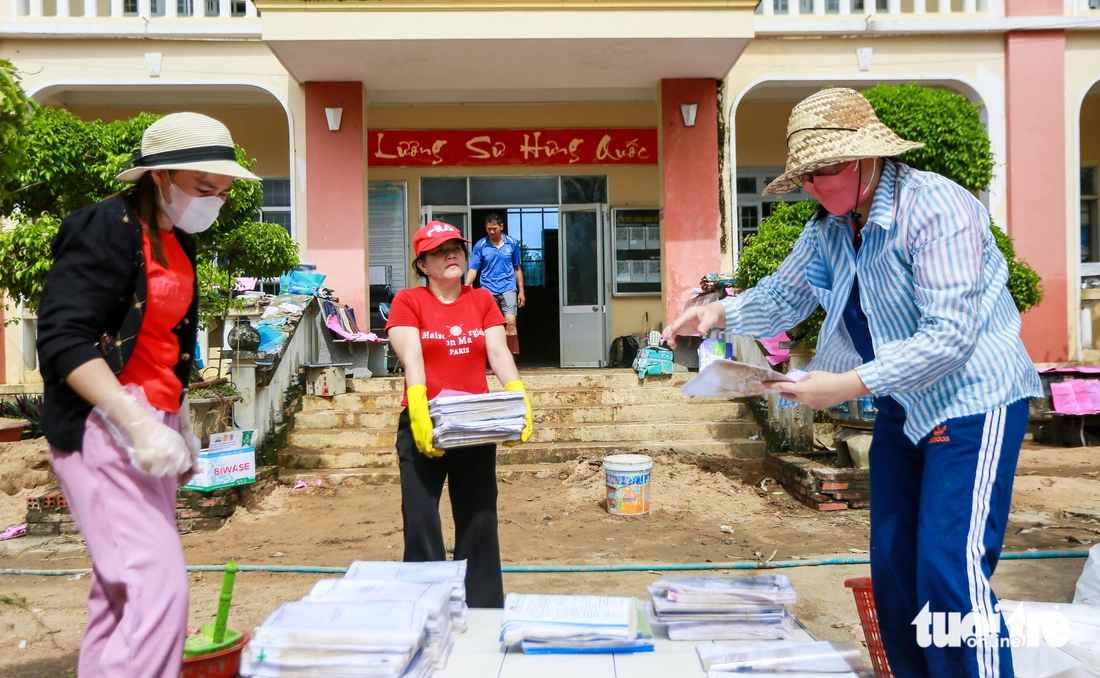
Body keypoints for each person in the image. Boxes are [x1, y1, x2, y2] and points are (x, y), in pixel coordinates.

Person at [663, 88, 1041, 678]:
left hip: (974, 401)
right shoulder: (830, 229)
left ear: (869, 158)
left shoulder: (938, 209)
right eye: (806, 177)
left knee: (949, 567)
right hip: (903, 404)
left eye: (827, 171)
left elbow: (951, 335)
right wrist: (717, 314)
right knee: (894, 570)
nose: (815, 187)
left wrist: (846, 384)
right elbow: (785, 296)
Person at [36, 112, 260, 678]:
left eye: (223, 192)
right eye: (203, 188)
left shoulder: (178, 240)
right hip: (104, 423)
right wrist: (132, 420)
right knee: (157, 590)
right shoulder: (105, 226)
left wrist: (176, 420)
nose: (214, 201)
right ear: (158, 177)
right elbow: (64, 338)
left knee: (120, 594)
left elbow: (164, 343)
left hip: (150, 422)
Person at [387, 220, 533, 608]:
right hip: (424, 421)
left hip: (474, 423)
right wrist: (418, 405)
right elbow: (412, 357)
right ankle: (426, 605)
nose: (451, 254)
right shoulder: (408, 301)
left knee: (479, 517)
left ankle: (482, 606)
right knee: (420, 518)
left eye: (456, 247)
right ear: (422, 265)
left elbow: (499, 353)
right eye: (439, 250)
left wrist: (518, 397)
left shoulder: (482, 300)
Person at [465, 212, 525, 355]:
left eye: (494, 228)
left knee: (510, 321)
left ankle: (511, 359)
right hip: (487, 289)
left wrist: (521, 291)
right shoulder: (481, 245)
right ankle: (495, 361)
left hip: (508, 288)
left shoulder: (512, 243)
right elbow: (474, 268)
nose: (492, 231)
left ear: (501, 227)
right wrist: (466, 287)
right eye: (489, 229)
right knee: (493, 326)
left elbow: (517, 267)